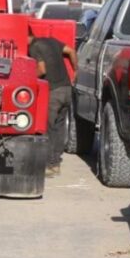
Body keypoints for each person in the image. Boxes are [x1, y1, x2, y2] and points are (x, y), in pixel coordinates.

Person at [28, 29, 78, 177]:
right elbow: (71, 51)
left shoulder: (34, 47)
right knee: (59, 128)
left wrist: (28, 78)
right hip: (67, 90)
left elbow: (41, 70)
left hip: (53, 92)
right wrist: (76, 70)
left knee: (47, 128)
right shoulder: (52, 41)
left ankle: (49, 166)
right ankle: (56, 164)